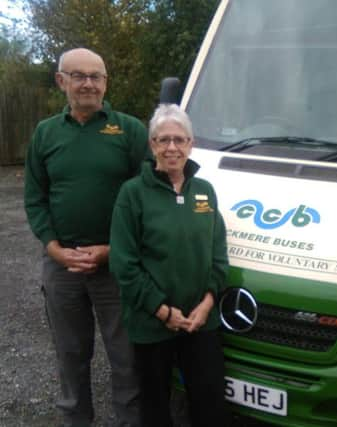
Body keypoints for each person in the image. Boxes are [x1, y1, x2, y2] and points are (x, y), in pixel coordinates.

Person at [24, 48, 148, 426]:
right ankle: (76, 420)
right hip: (62, 268)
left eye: (96, 76)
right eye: (78, 75)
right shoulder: (45, 133)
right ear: (61, 81)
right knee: (70, 354)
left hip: (118, 266)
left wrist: (114, 250)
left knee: (126, 358)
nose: (88, 83)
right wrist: (54, 249)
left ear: (107, 82)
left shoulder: (129, 130)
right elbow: (35, 198)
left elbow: (148, 199)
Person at [109, 103, 230, 427]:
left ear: (191, 144)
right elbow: (124, 265)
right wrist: (162, 310)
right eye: (163, 140)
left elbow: (218, 255)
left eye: (180, 139)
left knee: (209, 403)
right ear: (152, 146)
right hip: (152, 325)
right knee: (155, 407)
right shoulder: (132, 194)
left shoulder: (205, 192)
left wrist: (208, 301)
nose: (172, 147)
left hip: (200, 320)